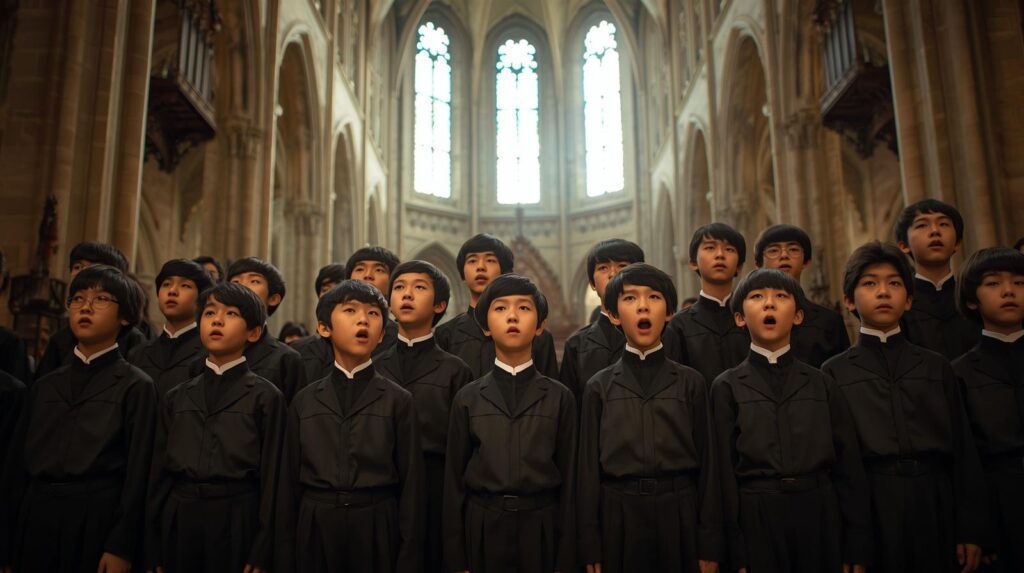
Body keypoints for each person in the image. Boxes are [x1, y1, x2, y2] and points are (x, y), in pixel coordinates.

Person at [822, 241, 988, 573]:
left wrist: (971, 528)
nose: (883, 291)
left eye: (894, 283)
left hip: (935, 500)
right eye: (870, 283)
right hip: (872, 504)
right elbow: (839, 463)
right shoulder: (833, 373)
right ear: (849, 300)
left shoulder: (936, 367)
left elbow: (964, 451)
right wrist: (853, 538)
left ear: (909, 299)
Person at [712, 268, 870, 573]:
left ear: (798, 316)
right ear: (739, 318)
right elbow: (723, 475)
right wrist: (735, 549)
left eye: (780, 297)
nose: (769, 304)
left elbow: (848, 466)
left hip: (819, 512)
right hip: (757, 515)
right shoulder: (727, 386)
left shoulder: (821, 382)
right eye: (757, 297)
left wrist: (857, 541)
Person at [1, 265, 156, 572]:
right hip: (37, 517)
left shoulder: (136, 386)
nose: (86, 306)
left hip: (96, 517)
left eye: (101, 299)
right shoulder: (45, 385)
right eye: (78, 299)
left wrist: (121, 545)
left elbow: (139, 474)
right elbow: (16, 468)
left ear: (124, 317)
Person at [577, 263, 721, 573]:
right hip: (619, 514)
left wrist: (709, 540)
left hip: (680, 511)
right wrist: (590, 541)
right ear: (614, 315)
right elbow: (587, 472)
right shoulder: (598, 387)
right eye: (630, 299)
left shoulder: (691, 382)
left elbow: (710, 466)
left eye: (654, 297)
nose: (643, 306)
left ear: (668, 312)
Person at [276, 280, 424, 572]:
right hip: (315, 523)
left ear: (382, 335)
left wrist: (409, 556)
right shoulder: (304, 401)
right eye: (350, 310)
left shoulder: (398, 401)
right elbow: (287, 486)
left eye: (372, 314)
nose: (362, 320)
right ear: (324, 328)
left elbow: (412, 489)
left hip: (376, 524)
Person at [146, 283, 285, 573]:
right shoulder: (178, 396)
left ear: (254, 333)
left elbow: (273, 480)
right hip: (180, 516)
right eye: (210, 313)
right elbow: (159, 474)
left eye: (231, 314)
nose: (217, 320)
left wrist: (263, 548)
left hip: (236, 517)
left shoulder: (265, 397)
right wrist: (152, 544)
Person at [443, 274, 576, 573]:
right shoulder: (467, 398)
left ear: (540, 326)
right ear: (486, 327)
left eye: (524, 309)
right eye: (501, 308)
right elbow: (453, 482)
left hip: (542, 525)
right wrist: (456, 556)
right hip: (482, 525)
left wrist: (567, 554)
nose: (512, 316)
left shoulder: (559, 397)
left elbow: (571, 482)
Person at [374, 260, 473, 573]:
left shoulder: (455, 370)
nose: (407, 295)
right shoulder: (374, 365)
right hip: (383, 489)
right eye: (400, 288)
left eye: (419, 288)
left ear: (440, 304)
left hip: (436, 490)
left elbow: (462, 450)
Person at [951, 247, 1024, 572]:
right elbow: (964, 457)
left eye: (1020, 283)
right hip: (1000, 507)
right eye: (993, 284)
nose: (1009, 291)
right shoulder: (960, 372)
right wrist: (977, 529)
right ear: (971, 300)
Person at [435, 234, 559, 379]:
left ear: (505, 272)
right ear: (463, 274)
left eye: (490, 260)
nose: (480, 267)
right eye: (472, 260)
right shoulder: (446, 335)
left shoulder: (537, 335)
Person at [36, 241, 148, 379]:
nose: (83, 273)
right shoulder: (60, 339)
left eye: (93, 267)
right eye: (77, 267)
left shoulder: (134, 341)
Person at [559, 239, 645, 406]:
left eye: (622, 266)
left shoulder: (661, 335)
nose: (613, 274)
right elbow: (570, 410)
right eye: (603, 268)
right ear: (592, 283)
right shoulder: (577, 345)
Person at [754, 224, 850, 367]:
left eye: (793, 249)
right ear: (758, 264)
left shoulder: (829, 321)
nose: (784, 255)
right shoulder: (749, 321)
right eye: (774, 250)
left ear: (806, 261)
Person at [894, 199, 980, 360]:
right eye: (922, 225)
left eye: (944, 224)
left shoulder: (974, 295)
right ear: (903, 245)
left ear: (957, 243)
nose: (935, 231)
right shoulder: (899, 301)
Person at [666, 223, 750, 384]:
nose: (720, 255)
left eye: (729, 249)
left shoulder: (752, 318)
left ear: (739, 266)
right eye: (710, 248)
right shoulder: (679, 325)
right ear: (693, 263)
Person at [220, 257, 306, 402]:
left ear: (273, 298)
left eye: (254, 281)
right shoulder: (207, 354)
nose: (242, 287)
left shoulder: (285, 360)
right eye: (235, 282)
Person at [128, 258, 213, 395]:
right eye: (166, 284)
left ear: (202, 299)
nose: (172, 291)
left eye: (185, 286)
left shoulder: (209, 354)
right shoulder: (138, 354)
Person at [290, 263, 348, 382]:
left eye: (339, 288)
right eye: (325, 290)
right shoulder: (297, 351)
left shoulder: (365, 346)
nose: (332, 294)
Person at [345, 247, 402, 358]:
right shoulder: (332, 329)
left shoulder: (401, 338)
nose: (368, 275)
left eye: (379, 270)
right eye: (360, 269)